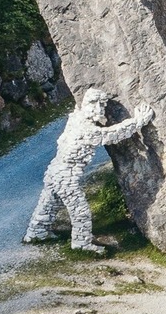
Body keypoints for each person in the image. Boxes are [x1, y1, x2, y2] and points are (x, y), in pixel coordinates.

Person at [23, 89, 154, 254]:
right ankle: (81, 243)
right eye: (97, 105)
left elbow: (81, 114)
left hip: (54, 171)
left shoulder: (75, 119)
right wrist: (139, 121)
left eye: (102, 105)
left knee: (49, 203)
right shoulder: (88, 131)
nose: (100, 109)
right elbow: (112, 134)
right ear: (88, 106)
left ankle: (36, 232)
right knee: (80, 211)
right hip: (65, 177)